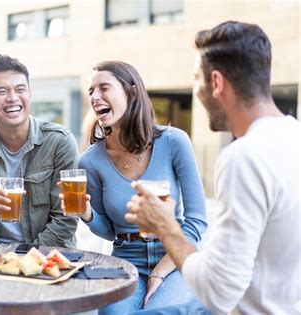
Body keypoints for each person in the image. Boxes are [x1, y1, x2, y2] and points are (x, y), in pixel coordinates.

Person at [126, 21, 300, 314]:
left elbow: (218, 294)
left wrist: (166, 228)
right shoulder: (293, 136)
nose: (196, 90)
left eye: (197, 79)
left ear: (216, 82)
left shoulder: (244, 157)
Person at [66, 60, 207, 314]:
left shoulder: (174, 142)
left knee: (165, 311)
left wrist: (160, 273)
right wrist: (87, 214)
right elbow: (109, 231)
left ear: (131, 91)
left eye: (104, 88)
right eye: (91, 92)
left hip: (175, 257)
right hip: (125, 260)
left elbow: (197, 221)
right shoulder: (90, 160)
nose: (95, 97)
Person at [0, 54, 78, 247]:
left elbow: (67, 219)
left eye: (20, 89)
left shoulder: (59, 141)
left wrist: (25, 257)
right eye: (1, 91)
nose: (12, 98)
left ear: (29, 94)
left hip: (49, 253)